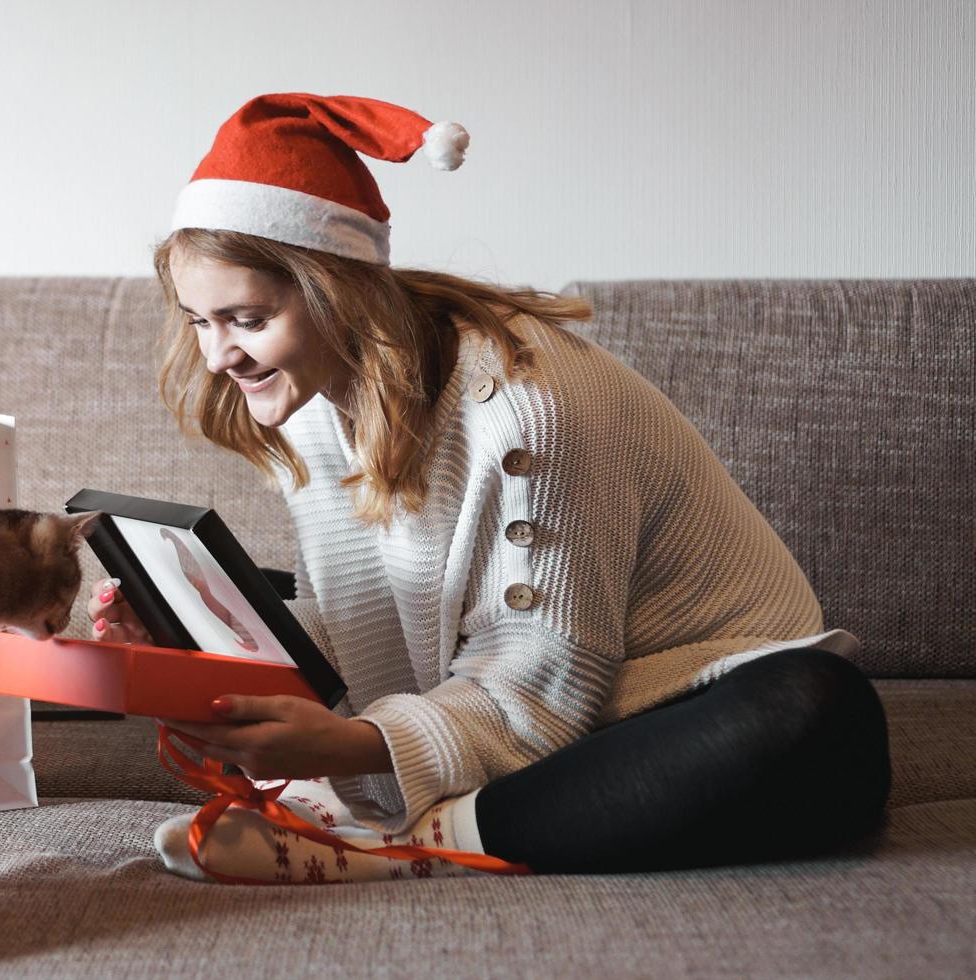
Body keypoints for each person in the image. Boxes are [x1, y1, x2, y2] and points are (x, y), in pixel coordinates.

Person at [87, 93, 891, 883]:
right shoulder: (310, 400)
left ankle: (399, 846)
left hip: (674, 698)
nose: (220, 353)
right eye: (199, 320)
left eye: (247, 319)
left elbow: (544, 676)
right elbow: (373, 631)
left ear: (340, 290)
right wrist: (189, 647)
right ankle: (441, 831)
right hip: (542, 738)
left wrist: (359, 747)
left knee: (817, 709)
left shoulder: (529, 410)